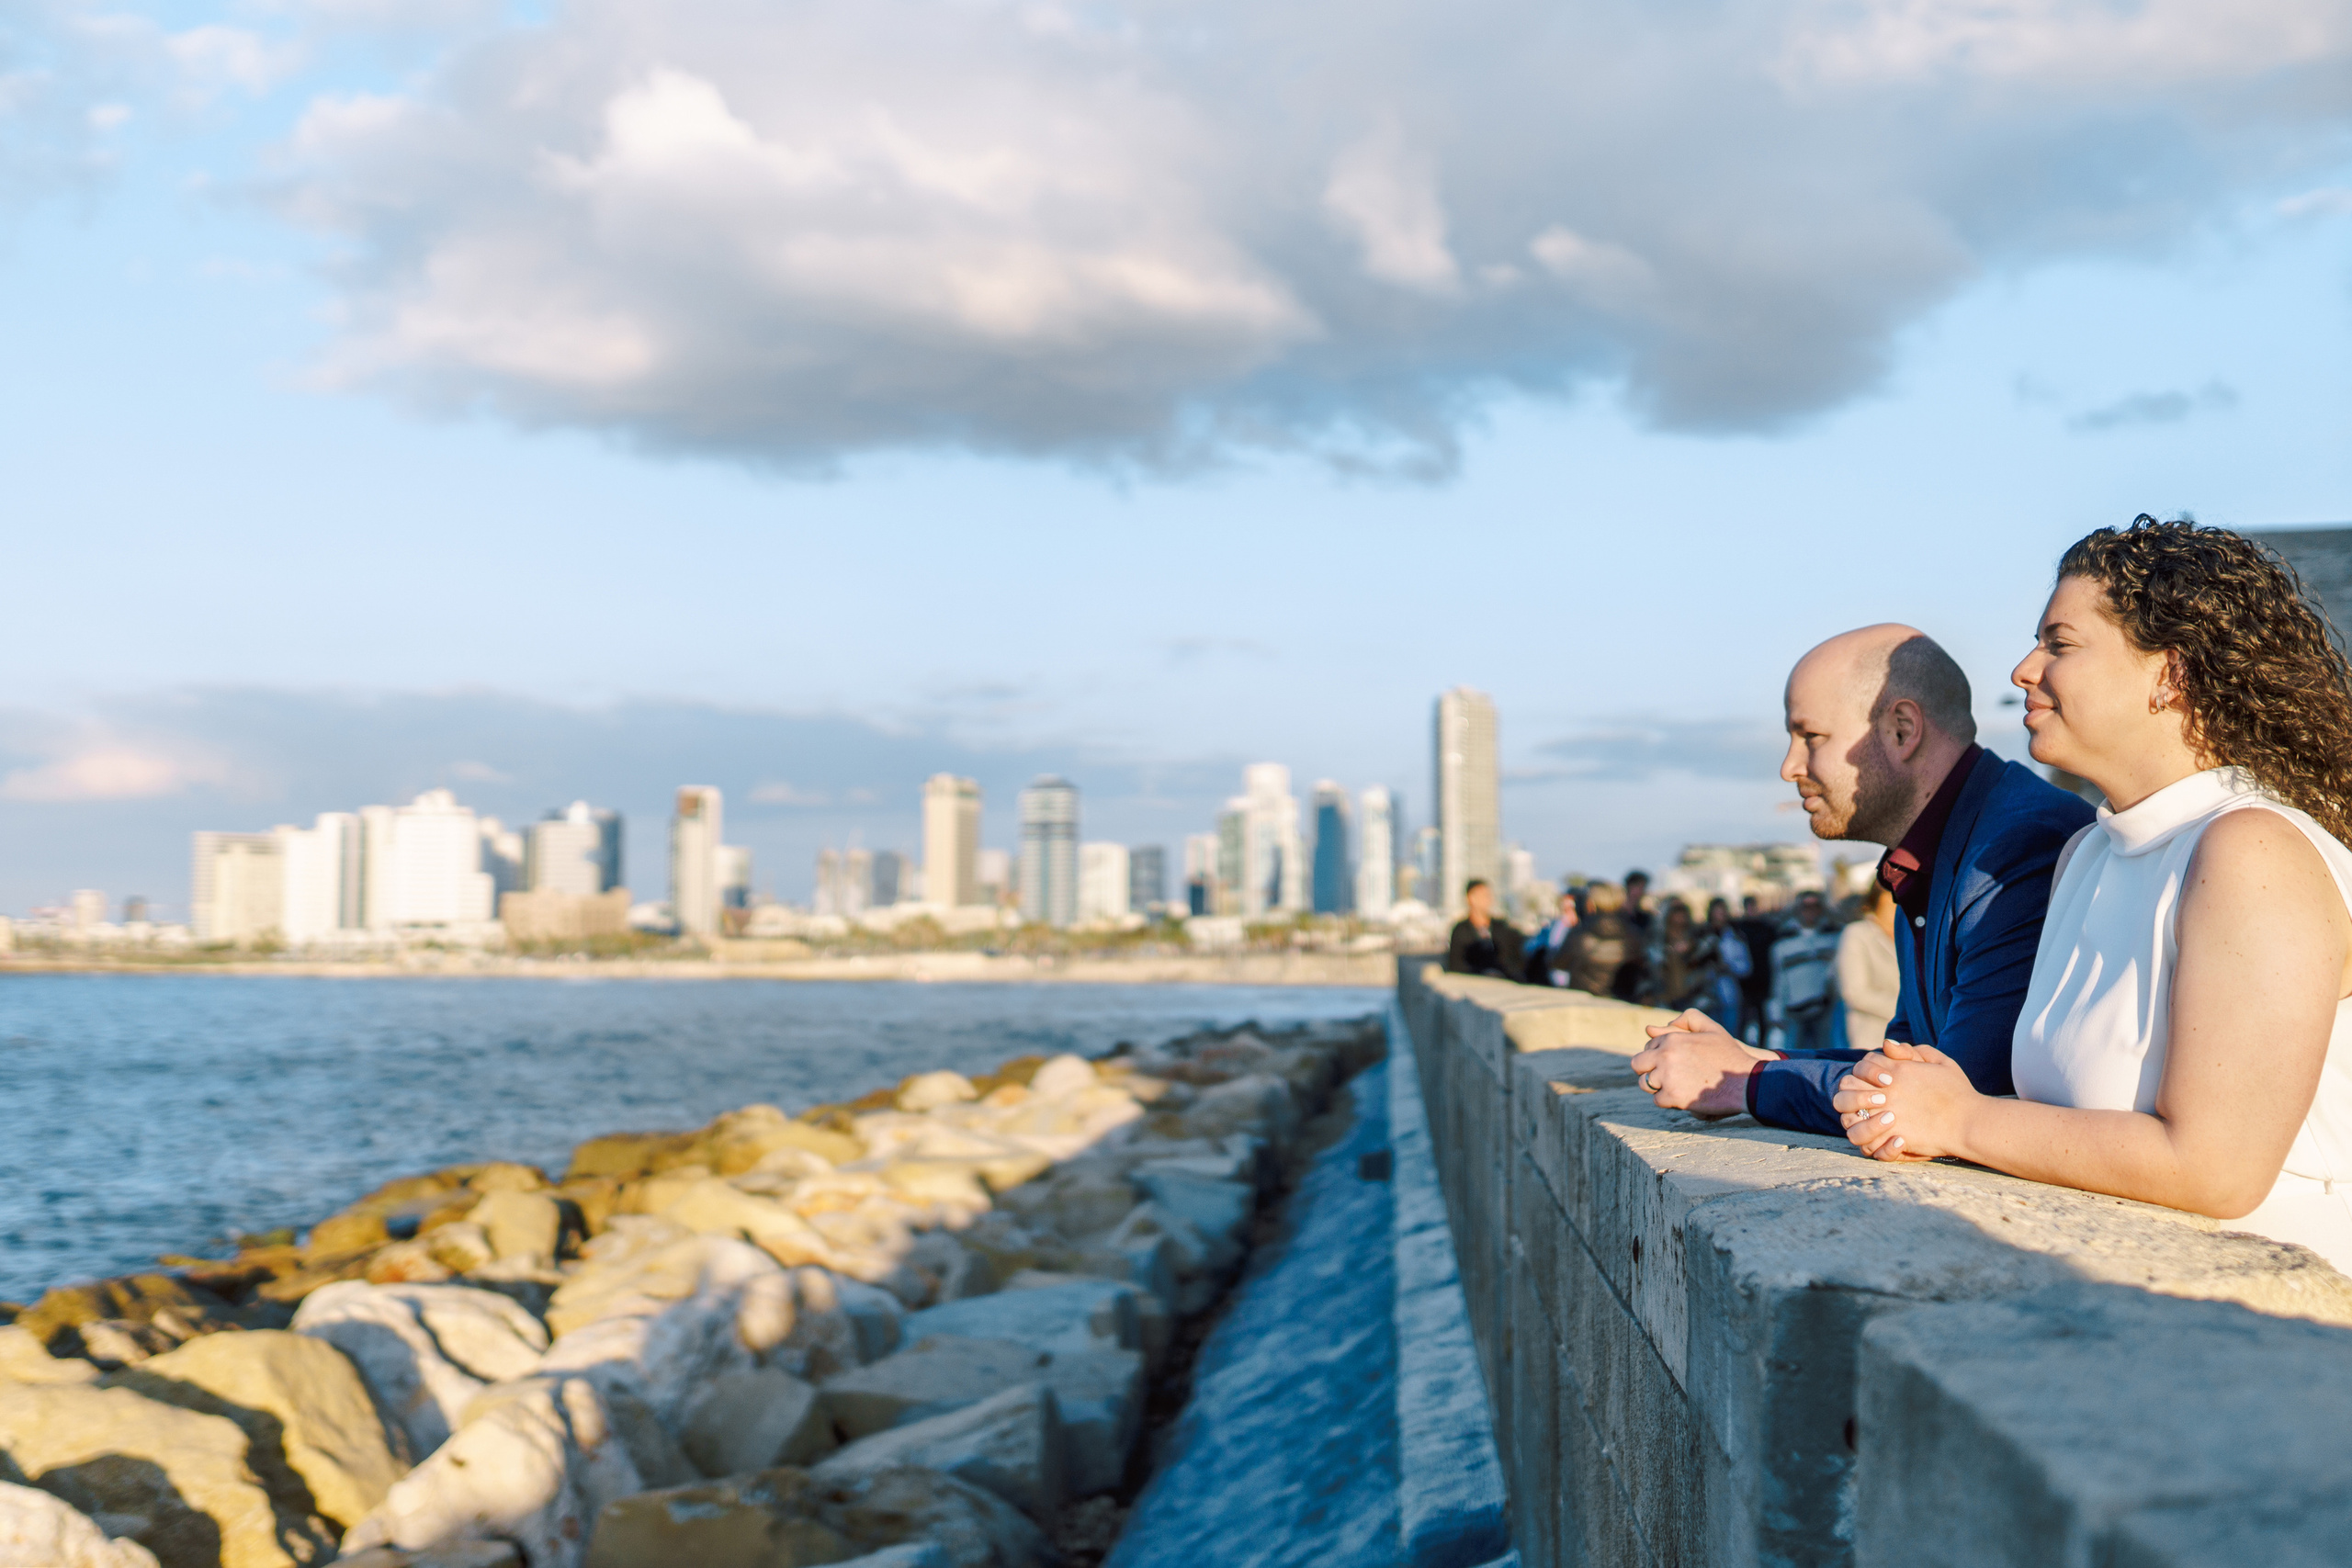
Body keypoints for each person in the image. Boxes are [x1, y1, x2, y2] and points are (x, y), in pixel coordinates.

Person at [1836, 521, 2352, 1271]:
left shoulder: (2251, 850)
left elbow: (2216, 1169)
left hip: (2285, 1345)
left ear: (2169, 674)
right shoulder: (2087, 852)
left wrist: (1962, 1120)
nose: (2022, 669)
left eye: (2059, 644)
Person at [1628, 624, 2095, 1133]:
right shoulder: (1933, 851)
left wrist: (1740, 1080)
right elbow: (1908, 1059)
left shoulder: (2013, 846)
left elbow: (1957, 1091)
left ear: (1902, 729)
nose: (1790, 767)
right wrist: (1750, 1059)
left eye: (1811, 737)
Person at [1770, 891, 1841, 1052]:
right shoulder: (1784, 940)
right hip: (1794, 1010)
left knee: (1828, 1054)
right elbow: (1779, 979)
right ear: (1797, 909)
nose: (1810, 911)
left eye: (1815, 906)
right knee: (1794, 1056)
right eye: (1805, 907)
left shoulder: (1833, 937)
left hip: (1825, 1009)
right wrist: (1776, 1012)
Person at [1838, 881, 1901, 1050]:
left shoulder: (1909, 935)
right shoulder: (1857, 934)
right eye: (1890, 904)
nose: (1896, 909)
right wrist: (1907, 1010)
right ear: (1876, 902)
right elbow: (1855, 993)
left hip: (1913, 1039)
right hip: (1872, 1038)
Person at [1560, 881, 1634, 998]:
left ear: (1592, 903)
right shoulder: (1634, 934)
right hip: (1621, 1003)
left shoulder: (1580, 933)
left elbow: (1558, 962)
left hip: (1583, 999)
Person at [1442, 878, 1525, 978]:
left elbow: (1517, 952)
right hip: (1475, 984)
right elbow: (1456, 965)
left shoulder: (1502, 927)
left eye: (1488, 895)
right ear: (1470, 898)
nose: (1488, 899)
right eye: (1483, 896)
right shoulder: (1460, 930)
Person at [1645, 899, 1718, 1012]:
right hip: (1665, 1001)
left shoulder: (1699, 943)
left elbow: (1710, 957)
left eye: (1682, 924)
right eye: (1675, 924)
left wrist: (1692, 950)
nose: (1678, 927)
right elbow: (1653, 974)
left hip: (1694, 1000)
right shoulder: (1657, 948)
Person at [1733, 895, 1777, 1043]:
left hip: (1762, 979)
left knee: (1762, 1019)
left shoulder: (1766, 928)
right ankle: (1741, 1045)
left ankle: (1762, 1046)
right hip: (1744, 982)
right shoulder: (1739, 928)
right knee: (1743, 1019)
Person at [1522, 887, 1580, 986]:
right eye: (1564, 908)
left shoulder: (1582, 929)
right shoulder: (1555, 925)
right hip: (1550, 977)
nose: (1567, 913)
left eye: (1571, 907)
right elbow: (1528, 948)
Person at [1706, 897, 1751, 1024]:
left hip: (1729, 996)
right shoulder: (1702, 936)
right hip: (1707, 997)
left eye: (1723, 912)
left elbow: (1746, 967)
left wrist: (1729, 967)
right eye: (1717, 912)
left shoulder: (1736, 937)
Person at [1616, 870, 1655, 1002]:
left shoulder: (1645, 918)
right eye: (1638, 887)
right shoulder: (1616, 915)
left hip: (1636, 974)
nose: (1641, 891)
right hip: (1619, 973)